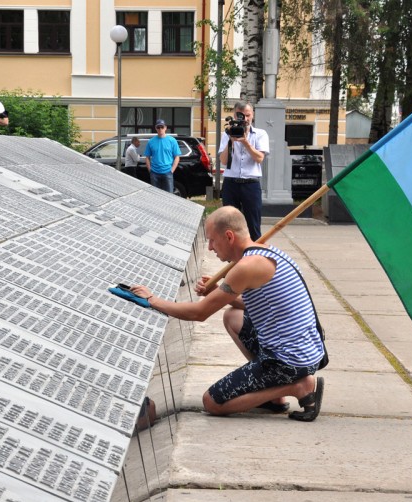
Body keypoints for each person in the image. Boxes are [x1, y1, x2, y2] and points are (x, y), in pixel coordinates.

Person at [131, 206, 325, 420]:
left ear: (229, 236)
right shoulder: (265, 252)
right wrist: (217, 292)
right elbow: (254, 304)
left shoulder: (246, 267)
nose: (211, 248)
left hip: (288, 360)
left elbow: (199, 313)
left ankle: (297, 387)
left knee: (213, 402)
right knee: (232, 317)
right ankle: (273, 399)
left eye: (213, 240)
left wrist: (152, 300)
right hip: (305, 350)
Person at [218, 101, 269, 241]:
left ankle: (254, 258)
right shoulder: (227, 134)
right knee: (229, 224)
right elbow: (223, 160)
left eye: (248, 115)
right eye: (241, 115)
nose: (245, 119)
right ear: (234, 115)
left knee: (253, 224)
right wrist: (231, 141)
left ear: (252, 115)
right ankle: (232, 260)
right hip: (231, 183)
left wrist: (245, 142)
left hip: (250, 183)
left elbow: (259, 158)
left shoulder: (260, 134)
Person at [144, 119, 181, 193]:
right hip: (154, 173)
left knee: (169, 196)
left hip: (168, 172)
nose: (160, 129)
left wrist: (172, 170)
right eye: (158, 127)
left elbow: (177, 157)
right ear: (155, 128)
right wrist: (150, 170)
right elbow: (147, 157)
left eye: (162, 127)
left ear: (165, 128)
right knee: (156, 196)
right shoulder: (151, 142)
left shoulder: (172, 141)